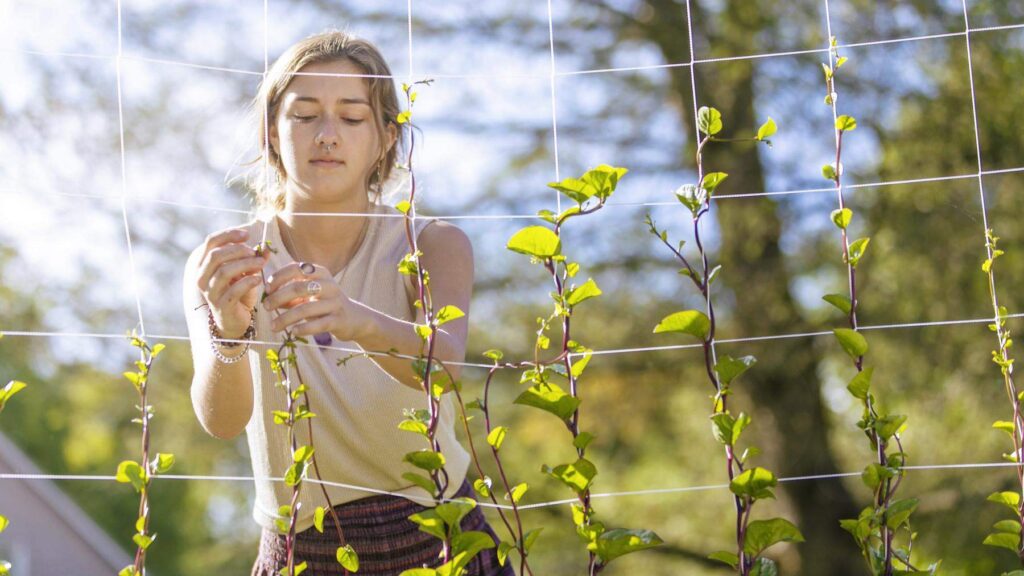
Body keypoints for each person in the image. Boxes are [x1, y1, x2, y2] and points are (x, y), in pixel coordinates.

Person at [182, 30, 513, 575]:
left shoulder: (431, 244)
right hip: (303, 549)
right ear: (272, 131)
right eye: (304, 115)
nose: (327, 135)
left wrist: (356, 319)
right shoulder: (225, 264)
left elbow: (445, 369)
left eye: (352, 117)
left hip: (441, 530)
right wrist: (229, 331)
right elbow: (221, 421)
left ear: (386, 137)